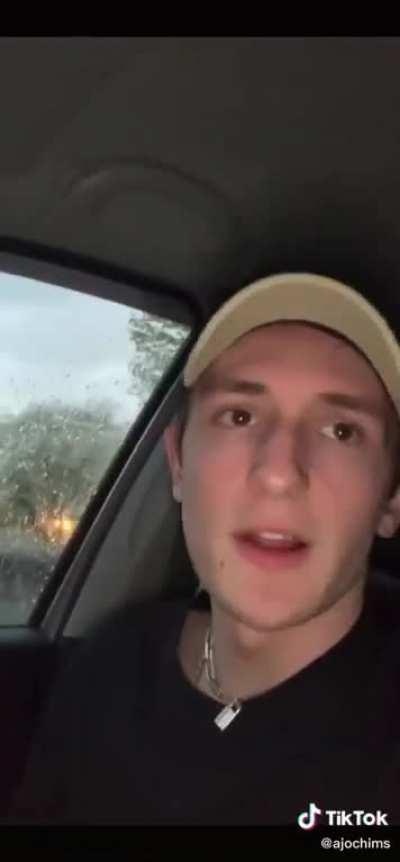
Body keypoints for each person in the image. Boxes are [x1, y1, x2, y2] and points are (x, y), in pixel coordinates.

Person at [9, 273, 400, 825]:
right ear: (178, 463)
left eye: (341, 430)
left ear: (391, 499)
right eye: (239, 416)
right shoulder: (106, 668)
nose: (279, 473)